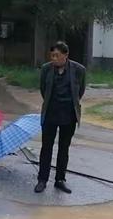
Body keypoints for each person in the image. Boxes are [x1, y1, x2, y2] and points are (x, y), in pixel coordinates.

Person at [35, 41, 86, 194]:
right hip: (51, 113)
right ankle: (42, 180)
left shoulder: (79, 70)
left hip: (69, 115)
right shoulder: (46, 69)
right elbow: (44, 90)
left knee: (64, 148)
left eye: (57, 55)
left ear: (66, 55)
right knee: (46, 147)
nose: (54, 58)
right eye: (52, 55)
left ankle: (60, 180)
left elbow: (80, 91)